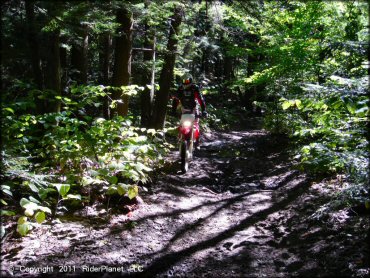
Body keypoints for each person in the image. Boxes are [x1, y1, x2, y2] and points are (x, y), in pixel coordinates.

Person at [171, 77, 207, 148]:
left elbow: (200, 99)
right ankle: (180, 137)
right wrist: (173, 110)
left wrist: (204, 111)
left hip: (193, 108)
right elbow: (176, 99)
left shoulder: (194, 88)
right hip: (184, 108)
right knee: (181, 123)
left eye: (187, 82)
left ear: (190, 82)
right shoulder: (180, 88)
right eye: (184, 82)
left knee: (196, 122)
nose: (185, 84)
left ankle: (197, 140)